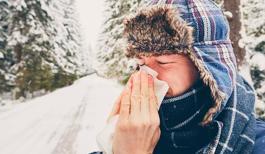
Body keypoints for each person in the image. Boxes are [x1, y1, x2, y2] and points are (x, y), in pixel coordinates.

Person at [90, 0, 265, 153]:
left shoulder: (257, 144)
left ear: (208, 69)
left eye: (163, 62)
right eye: (141, 64)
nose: (148, 77)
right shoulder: (133, 133)